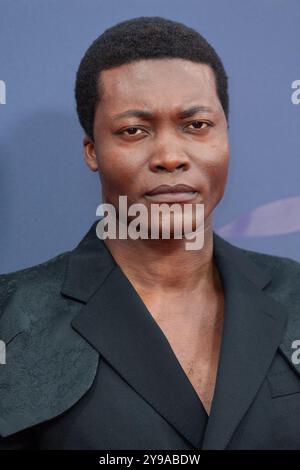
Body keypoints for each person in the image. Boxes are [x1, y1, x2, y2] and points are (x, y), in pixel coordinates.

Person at [1, 16, 300, 451]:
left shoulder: (296, 294)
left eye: (196, 125)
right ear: (92, 151)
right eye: (133, 130)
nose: (169, 156)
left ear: (226, 138)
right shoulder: (13, 318)